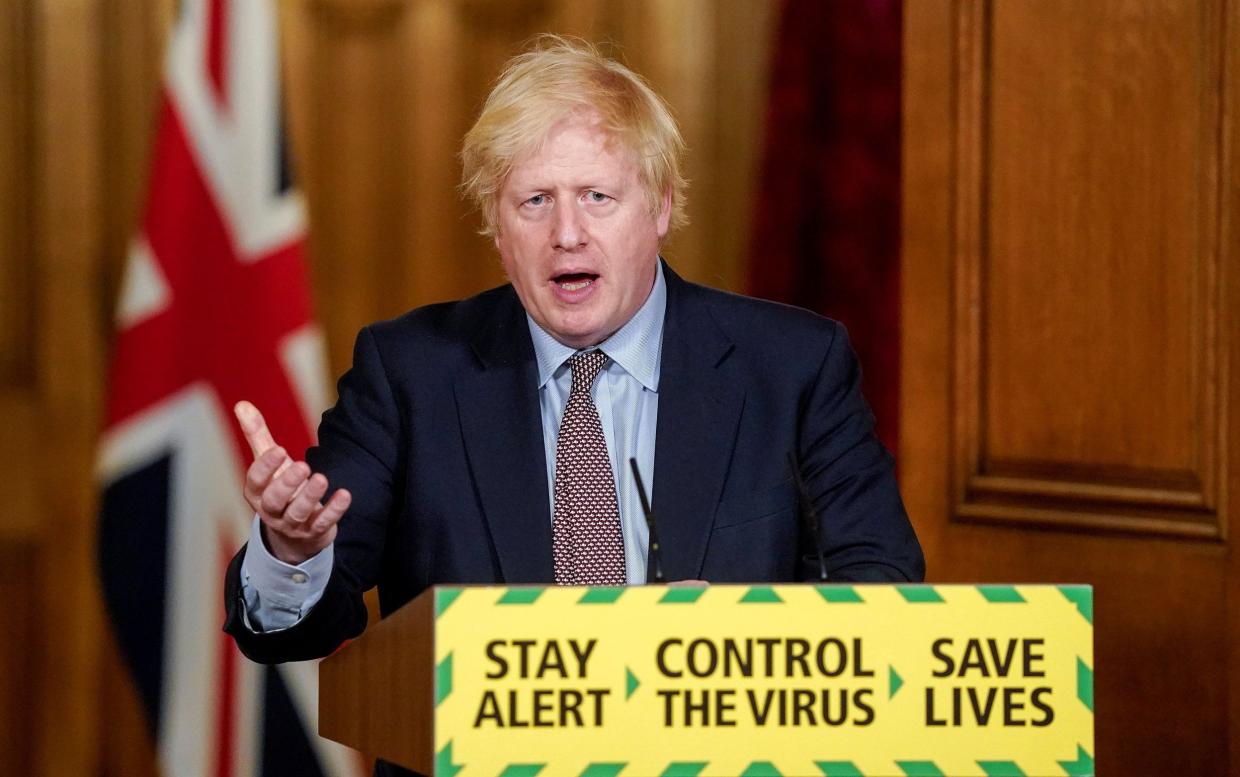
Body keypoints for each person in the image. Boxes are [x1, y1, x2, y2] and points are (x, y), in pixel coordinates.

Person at [224, 36, 923, 772]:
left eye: (597, 196)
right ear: (496, 225)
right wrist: (292, 555)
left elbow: (881, 592)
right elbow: (294, 627)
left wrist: (732, 641)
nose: (566, 233)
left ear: (660, 205)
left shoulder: (792, 367)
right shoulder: (410, 373)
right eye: (534, 201)